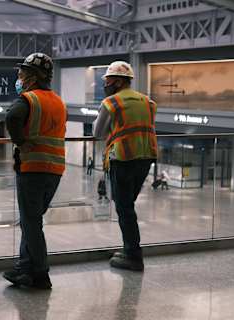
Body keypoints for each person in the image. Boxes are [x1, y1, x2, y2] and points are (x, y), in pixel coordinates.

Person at [4, 52, 67, 289]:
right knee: (32, 220)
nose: (19, 77)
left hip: (32, 167)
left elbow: (12, 118)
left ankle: (40, 274)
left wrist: (20, 141)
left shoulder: (28, 99)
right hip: (55, 169)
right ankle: (24, 269)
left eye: (22, 73)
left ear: (32, 77)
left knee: (31, 223)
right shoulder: (58, 101)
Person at [93, 61, 158, 271]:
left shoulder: (111, 103)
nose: (106, 84)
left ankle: (133, 255)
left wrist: (103, 107)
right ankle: (129, 249)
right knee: (128, 206)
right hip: (145, 157)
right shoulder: (148, 102)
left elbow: (98, 133)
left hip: (122, 159)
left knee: (124, 208)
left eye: (109, 80)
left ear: (119, 81)